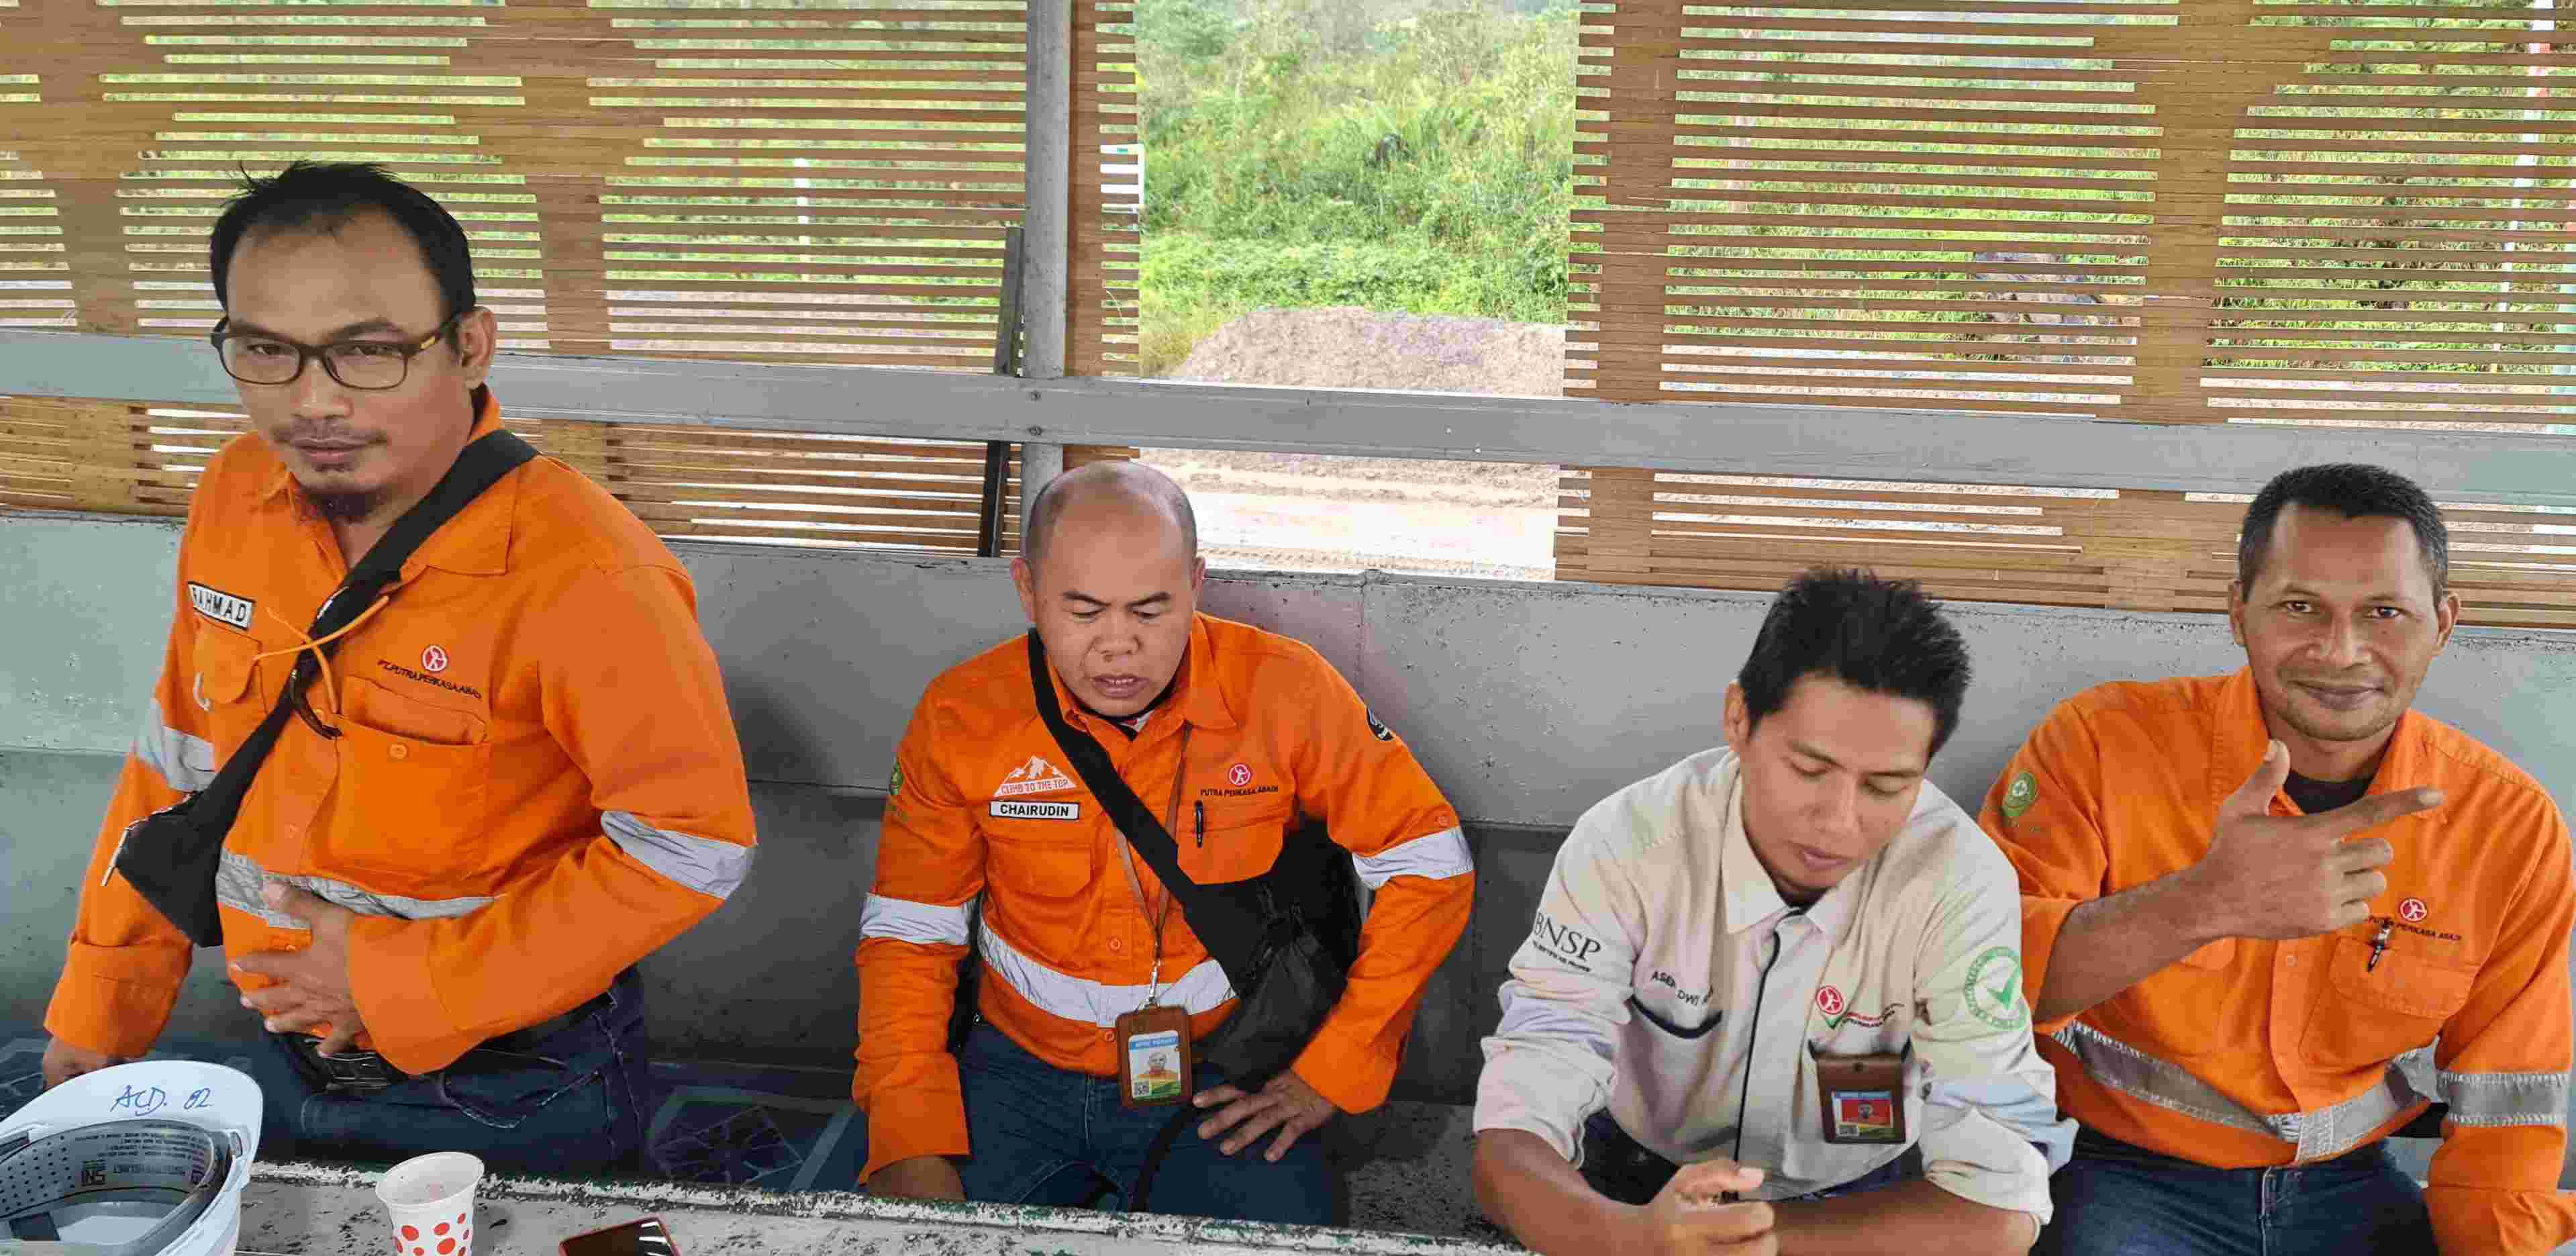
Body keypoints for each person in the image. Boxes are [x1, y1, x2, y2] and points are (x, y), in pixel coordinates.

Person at [40, 162, 758, 1174]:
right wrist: (105, 1003)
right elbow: (182, 758)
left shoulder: (589, 573)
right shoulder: (237, 492)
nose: (313, 401)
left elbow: (691, 847)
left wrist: (400, 983)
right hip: (278, 1045)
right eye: (266, 350)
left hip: (516, 1082)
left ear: (469, 346)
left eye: (368, 350)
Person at [854, 461, 1475, 1222]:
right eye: (1083, 612)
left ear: (1196, 584)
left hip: (1219, 1077)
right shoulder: (962, 716)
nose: (1119, 647)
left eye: (1151, 610)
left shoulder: (1284, 691)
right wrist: (909, 1126)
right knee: (892, 1233)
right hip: (1012, 1076)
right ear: (1027, 589)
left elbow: (1428, 862)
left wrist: (1335, 1067)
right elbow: (910, 932)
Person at [1980, 464, 2576, 1255]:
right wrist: (2202, 903)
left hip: (2352, 1187)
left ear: (2441, 623)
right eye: (2300, 606)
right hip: (2124, 1175)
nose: (2340, 650)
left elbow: (2508, 1109)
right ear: (2238, 613)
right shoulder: (2097, 743)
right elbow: (1977, 988)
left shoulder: (2507, 824)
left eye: (2384, 612)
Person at [1475, 569, 2071, 1256]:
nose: (1838, 822)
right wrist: (1634, 1237)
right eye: (1808, 769)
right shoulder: (1627, 845)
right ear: (1739, 717)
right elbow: (1512, 1135)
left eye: (1886, 785)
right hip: (1631, 1175)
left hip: (1859, 1202)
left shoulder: (1958, 883)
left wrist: (1736, 1242)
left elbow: (2002, 1205)